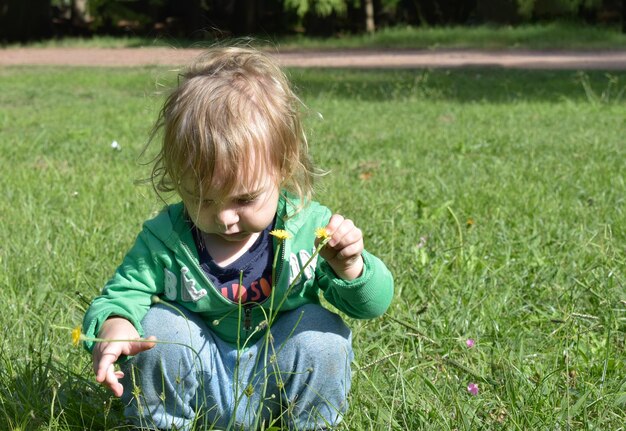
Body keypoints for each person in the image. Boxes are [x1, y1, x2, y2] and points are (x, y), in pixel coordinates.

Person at [82, 46, 394, 431]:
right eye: (203, 199)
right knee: (160, 328)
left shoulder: (307, 230)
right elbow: (119, 295)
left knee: (321, 331)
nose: (226, 218)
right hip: (199, 385)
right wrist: (116, 326)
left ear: (283, 166)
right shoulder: (167, 240)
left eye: (245, 198)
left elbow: (373, 304)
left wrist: (350, 266)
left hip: (278, 386)